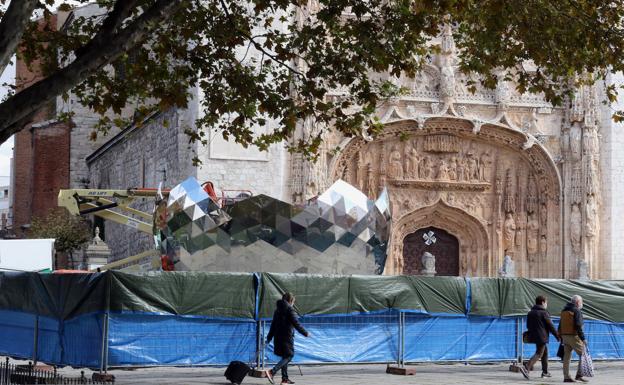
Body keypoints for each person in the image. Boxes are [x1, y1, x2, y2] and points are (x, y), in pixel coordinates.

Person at [266, 292, 310, 385]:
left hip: (278, 337)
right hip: (287, 337)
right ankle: (272, 372)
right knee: (289, 356)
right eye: (293, 301)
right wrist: (305, 333)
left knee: (285, 356)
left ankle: (285, 379)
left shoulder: (277, 310)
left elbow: (273, 325)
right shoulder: (290, 310)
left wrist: (269, 337)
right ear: (291, 301)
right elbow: (296, 323)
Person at [518, 295, 559, 380]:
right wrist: (557, 336)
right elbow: (550, 325)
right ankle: (526, 367)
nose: (547, 304)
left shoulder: (530, 312)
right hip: (542, 336)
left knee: (545, 353)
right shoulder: (544, 313)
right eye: (546, 302)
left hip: (534, 335)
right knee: (539, 353)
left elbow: (528, 325)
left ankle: (545, 372)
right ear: (543, 302)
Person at [559, 295, 589, 383]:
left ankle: (566, 377)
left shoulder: (564, 310)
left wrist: (560, 335)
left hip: (565, 336)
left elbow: (560, 324)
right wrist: (583, 338)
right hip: (574, 336)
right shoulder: (577, 310)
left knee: (566, 357)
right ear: (577, 302)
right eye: (581, 302)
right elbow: (578, 326)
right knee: (583, 355)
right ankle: (579, 375)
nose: (582, 303)